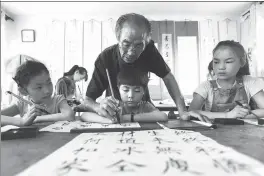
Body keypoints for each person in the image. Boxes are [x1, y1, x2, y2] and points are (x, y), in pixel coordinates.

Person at [82, 13, 194, 122]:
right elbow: (87, 100)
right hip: (115, 113)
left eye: (139, 45)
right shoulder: (106, 57)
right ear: (118, 37)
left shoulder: (149, 51)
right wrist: (98, 107)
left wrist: (182, 111)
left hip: (143, 113)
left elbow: (168, 77)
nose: (131, 52)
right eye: (126, 44)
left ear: (147, 41)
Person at [189, 40, 264, 120]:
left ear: (242, 62)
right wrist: (228, 115)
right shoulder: (205, 87)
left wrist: (243, 115)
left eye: (228, 62)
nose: (221, 67)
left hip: (243, 130)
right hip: (214, 131)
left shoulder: (250, 82)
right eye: (216, 62)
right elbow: (191, 112)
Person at [81, 67, 168, 123]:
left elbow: (163, 116)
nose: (130, 95)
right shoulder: (114, 105)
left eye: (137, 90)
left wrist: (127, 118)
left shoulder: (145, 106)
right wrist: (109, 121)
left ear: (144, 91)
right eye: (126, 90)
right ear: (119, 89)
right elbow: (84, 116)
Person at [1, 60, 74, 126]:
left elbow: (69, 115)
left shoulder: (58, 100)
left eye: (49, 83)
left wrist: (37, 119)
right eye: (39, 87)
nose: (47, 91)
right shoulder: (22, 104)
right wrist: (21, 121)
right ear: (23, 91)